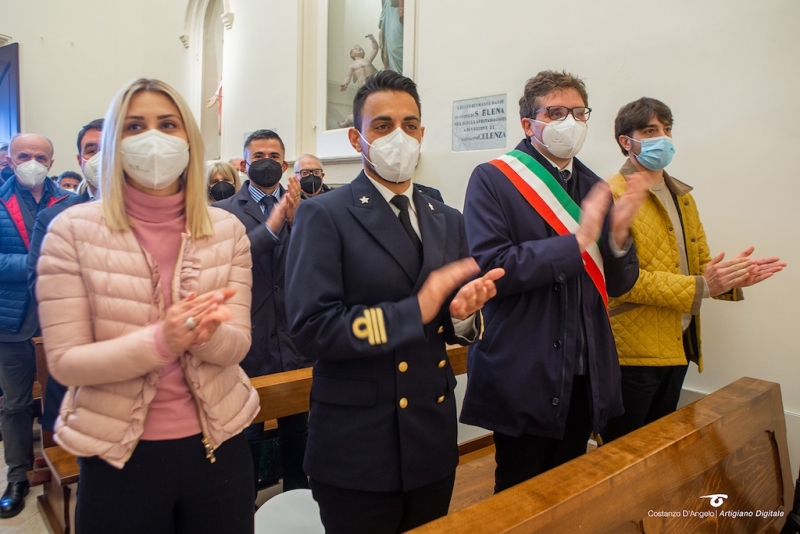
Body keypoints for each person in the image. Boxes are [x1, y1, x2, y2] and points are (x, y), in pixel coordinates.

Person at [36, 78, 258, 534]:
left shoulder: (226, 230)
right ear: (115, 141)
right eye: (135, 126)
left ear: (190, 141)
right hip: (120, 455)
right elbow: (66, 362)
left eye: (167, 124)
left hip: (219, 446)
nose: (152, 137)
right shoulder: (72, 231)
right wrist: (162, 340)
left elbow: (237, 346)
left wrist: (207, 333)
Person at [286, 70, 503, 534]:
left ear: (422, 133)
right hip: (358, 445)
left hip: (430, 436)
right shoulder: (325, 215)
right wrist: (414, 311)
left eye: (409, 125)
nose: (398, 137)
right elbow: (312, 330)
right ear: (356, 138)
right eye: (382, 126)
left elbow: (447, 325)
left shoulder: (447, 218)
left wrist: (462, 316)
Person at [460, 70, 649, 493]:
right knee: (520, 492)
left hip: (584, 370)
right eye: (557, 112)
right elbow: (494, 266)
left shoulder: (594, 186)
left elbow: (616, 286)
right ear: (529, 125)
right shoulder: (493, 179)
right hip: (525, 368)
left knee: (566, 488)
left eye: (579, 113)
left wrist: (617, 241)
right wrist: (576, 243)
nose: (571, 122)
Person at [601, 97, 786, 442]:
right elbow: (621, 282)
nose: (664, 138)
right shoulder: (611, 194)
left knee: (659, 448)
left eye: (667, 130)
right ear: (626, 142)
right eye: (651, 130)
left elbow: (700, 264)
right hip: (632, 351)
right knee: (622, 455)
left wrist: (733, 277)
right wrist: (704, 284)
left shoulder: (681, 195)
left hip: (678, 344)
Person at [214, 129, 308, 498]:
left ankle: (299, 497)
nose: (266, 161)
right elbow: (230, 260)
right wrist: (274, 224)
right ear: (243, 164)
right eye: (258, 155)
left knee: (296, 427)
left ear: (284, 165)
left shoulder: (305, 207)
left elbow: (312, 261)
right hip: (248, 332)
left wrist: (298, 219)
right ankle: (243, 503)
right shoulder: (222, 213)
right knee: (248, 430)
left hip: (292, 333)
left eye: (274, 155)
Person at [0, 133, 69, 518]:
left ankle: (63, 465)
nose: (32, 161)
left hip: (59, 318)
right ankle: (17, 474)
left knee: (62, 398)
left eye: (40, 156)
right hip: (12, 320)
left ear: (52, 161)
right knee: (16, 404)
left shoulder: (66, 201)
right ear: (10, 160)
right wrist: (32, 262)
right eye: (24, 155)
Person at [27, 118, 104, 438]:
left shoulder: (158, 216)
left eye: (109, 148)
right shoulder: (55, 217)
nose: (101, 157)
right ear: (80, 160)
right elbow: (40, 286)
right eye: (92, 150)